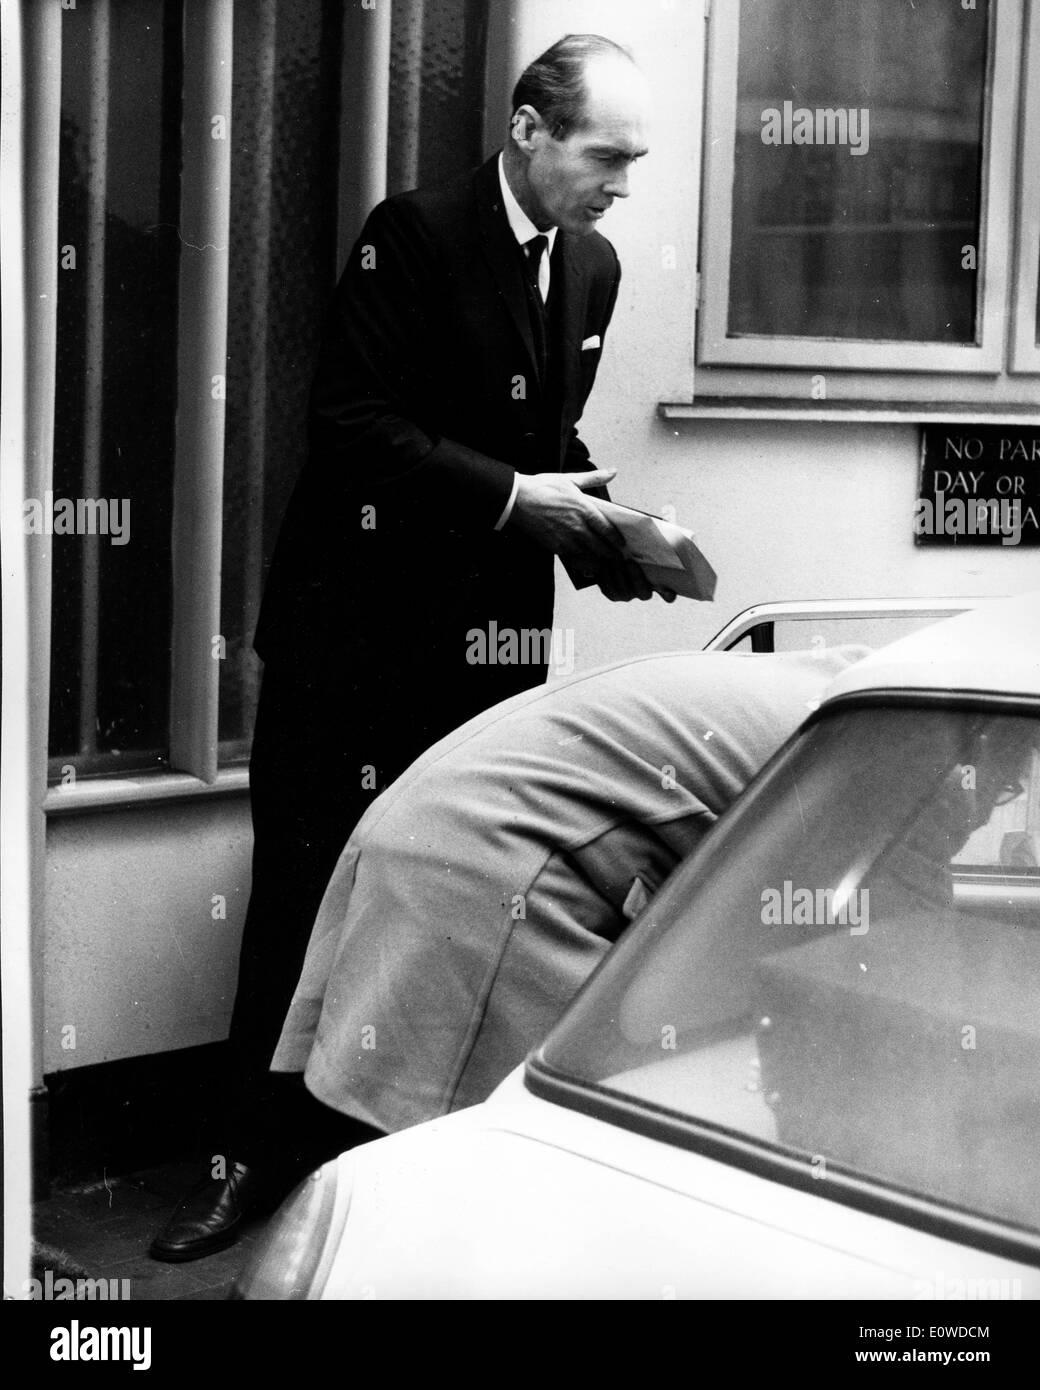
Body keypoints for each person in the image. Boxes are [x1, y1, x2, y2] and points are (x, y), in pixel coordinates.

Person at [151, 34, 663, 1263]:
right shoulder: (411, 235)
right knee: (299, 902)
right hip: (352, 642)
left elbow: (537, 435)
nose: (621, 187)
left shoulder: (588, 266)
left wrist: (606, 535)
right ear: (527, 129)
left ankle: (385, 1177)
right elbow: (351, 427)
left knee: (447, 905)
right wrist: (516, 498)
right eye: (605, 156)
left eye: (637, 162)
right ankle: (242, 1168)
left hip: (478, 656)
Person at [271, 644, 871, 1133]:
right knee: (525, 1137)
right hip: (488, 856)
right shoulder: (881, 745)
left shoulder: (826, 687)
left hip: (421, 811)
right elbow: (871, 955)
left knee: (416, 1119)